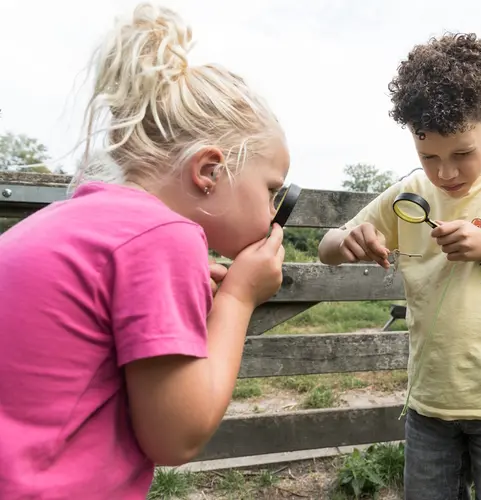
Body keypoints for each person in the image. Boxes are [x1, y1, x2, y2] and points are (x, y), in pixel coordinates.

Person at [0, 4, 288, 499]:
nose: (273, 212)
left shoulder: (71, 223)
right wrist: (239, 299)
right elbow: (176, 436)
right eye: (271, 190)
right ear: (210, 171)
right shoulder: (162, 236)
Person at [318, 33, 481, 500]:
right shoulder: (411, 193)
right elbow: (326, 247)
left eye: (462, 153)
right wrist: (347, 240)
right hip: (429, 409)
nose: (445, 173)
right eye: (429, 156)